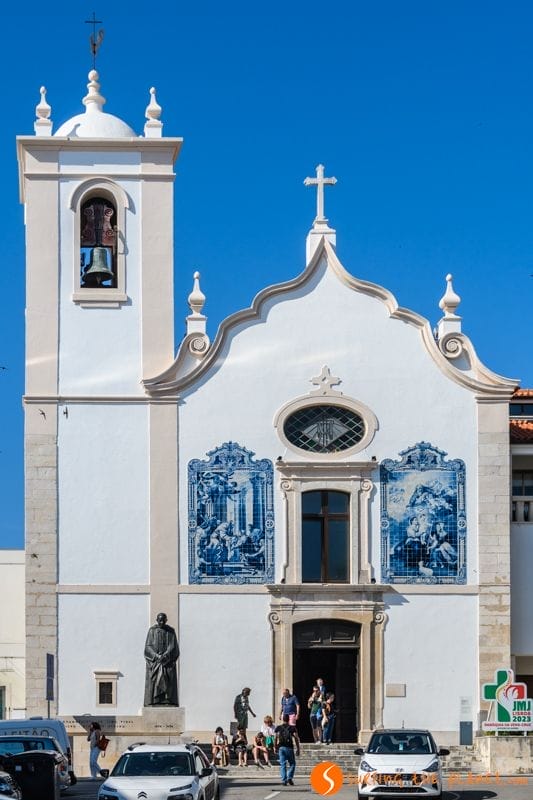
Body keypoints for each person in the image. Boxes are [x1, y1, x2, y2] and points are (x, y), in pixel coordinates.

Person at [144, 612, 180, 706]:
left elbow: (173, 646)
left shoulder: (171, 631)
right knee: (155, 679)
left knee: (168, 676)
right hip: (155, 661)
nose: (162, 622)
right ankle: (155, 700)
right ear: (157, 620)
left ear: (166, 620)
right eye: (160, 620)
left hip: (167, 661)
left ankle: (167, 699)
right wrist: (156, 656)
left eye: (163, 620)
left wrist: (166, 655)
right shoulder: (152, 631)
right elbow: (148, 647)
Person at [275, 713, 300, 786]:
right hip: (289, 747)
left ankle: (284, 780)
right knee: (292, 763)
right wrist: (298, 748)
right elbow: (296, 738)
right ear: (289, 719)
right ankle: (289, 777)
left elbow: (275, 738)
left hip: (281, 748)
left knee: (282, 764)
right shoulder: (292, 728)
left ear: (283, 719)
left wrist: (275, 747)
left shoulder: (278, 727)